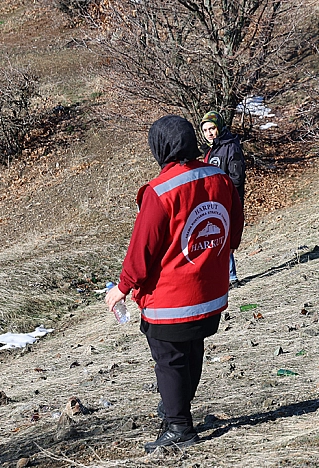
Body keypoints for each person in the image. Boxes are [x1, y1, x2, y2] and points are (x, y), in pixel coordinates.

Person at [105, 115, 244, 452]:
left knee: (169, 360)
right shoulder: (219, 177)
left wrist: (120, 289)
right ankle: (174, 408)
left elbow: (142, 251)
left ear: (160, 148)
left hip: (171, 300)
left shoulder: (160, 191)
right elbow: (234, 234)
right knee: (192, 350)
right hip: (210, 293)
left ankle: (179, 427)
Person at [200, 110, 246, 288]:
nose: (209, 133)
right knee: (215, 237)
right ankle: (222, 277)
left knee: (223, 238)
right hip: (213, 202)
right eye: (205, 130)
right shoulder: (211, 150)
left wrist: (226, 197)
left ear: (219, 127)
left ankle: (232, 277)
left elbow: (237, 177)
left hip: (227, 201)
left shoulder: (230, 147)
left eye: (212, 128)